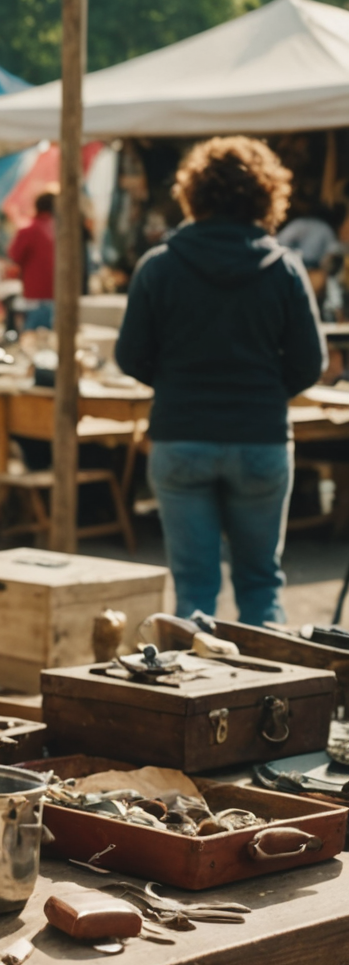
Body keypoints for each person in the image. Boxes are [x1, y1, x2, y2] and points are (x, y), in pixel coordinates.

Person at [116, 137, 324, 625]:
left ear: (193, 192)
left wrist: (175, 383)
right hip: (260, 438)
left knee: (193, 589)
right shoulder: (285, 268)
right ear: (267, 195)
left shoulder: (159, 266)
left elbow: (130, 356)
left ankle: (192, 674)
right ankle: (269, 675)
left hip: (181, 434)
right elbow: (309, 364)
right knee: (261, 582)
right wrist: (264, 392)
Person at [7, 185, 61, 330]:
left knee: (32, 336)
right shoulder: (61, 230)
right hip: (58, 295)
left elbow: (14, 256)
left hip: (35, 297)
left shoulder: (28, 230)